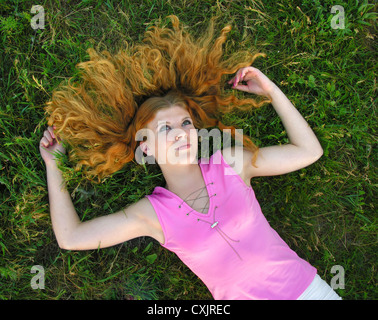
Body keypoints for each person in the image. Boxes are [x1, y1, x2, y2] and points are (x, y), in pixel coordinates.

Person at [39, 16, 341, 300]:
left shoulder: (231, 165)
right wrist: (54, 164)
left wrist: (271, 91)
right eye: (166, 128)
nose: (182, 133)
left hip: (308, 292)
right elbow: (70, 237)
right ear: (146, 147)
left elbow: (308, 151)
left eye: (186, 123)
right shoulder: (153, 215)